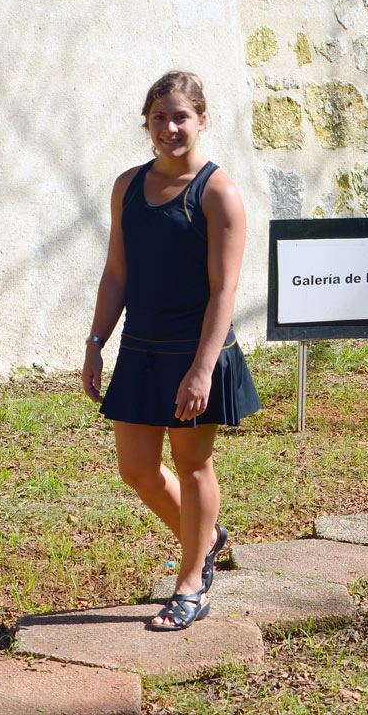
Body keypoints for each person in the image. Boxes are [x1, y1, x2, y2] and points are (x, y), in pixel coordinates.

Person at [81, 71, 260, 631]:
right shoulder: (127, 186)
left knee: (192, 461)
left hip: (195, 351)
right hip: (140, 347)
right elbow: (116, 273)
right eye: (159, 117)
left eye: (181, 116)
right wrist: (95, 344)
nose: (169, 128)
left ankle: (191, 583)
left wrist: (203, 370)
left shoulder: (217, 192)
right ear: (147, 123)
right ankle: (205, 535)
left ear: (202, 121)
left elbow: (224, 290)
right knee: (136, 468)